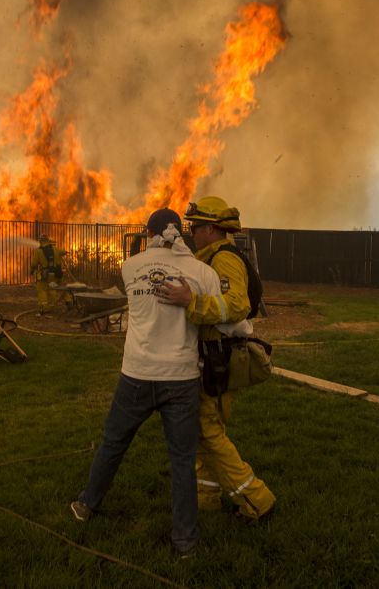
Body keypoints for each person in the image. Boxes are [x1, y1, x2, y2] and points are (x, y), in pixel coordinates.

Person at [70, 208, 223, 559]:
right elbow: (218, 314)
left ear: (148, 233)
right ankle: (185, 543)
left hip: (136, 374)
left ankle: (85, 505)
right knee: (182, 460)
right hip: (181, 377)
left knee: (112, 443)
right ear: (181, 233)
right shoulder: (203, 272)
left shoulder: (130, 267)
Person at [157, 196, 276, 523]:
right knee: (201, 430)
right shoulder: (209, 257)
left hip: (219, 357)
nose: (192, 232)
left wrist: (190, 301)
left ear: (211, 228)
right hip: (212, 356)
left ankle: (257, 499)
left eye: (195, 227)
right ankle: (206, 496)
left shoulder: (225, 259)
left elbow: (234, 305)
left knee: (208, 432)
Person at [31, 234, 66, 314]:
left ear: (40, 241)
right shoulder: (55, 249)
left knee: (42, 290)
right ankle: (51, 307)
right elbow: (63, 252)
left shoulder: (39, 251)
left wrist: (32, 270)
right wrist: (64, 252)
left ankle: (44, 308)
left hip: (43, 274)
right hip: (54, 274)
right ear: (48, 241)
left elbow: (34, 263)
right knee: (52, 289)